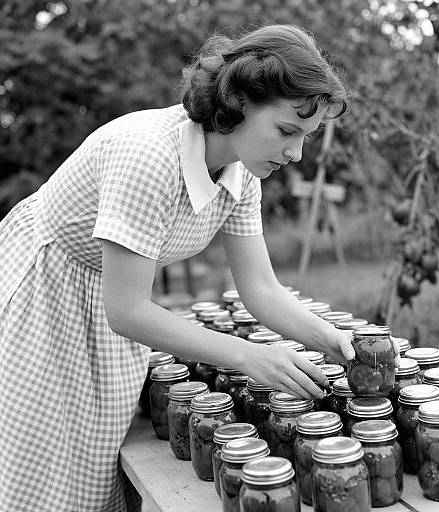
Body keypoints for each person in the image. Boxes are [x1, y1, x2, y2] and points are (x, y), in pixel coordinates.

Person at [0, 24, 399, 512]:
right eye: (286, 131)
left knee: (97, 467)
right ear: (238, 101)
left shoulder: (243, 174)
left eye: (306, 137)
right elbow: (127, 311)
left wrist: (329, 338)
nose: (295, 154)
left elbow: (260, 289)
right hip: (47, 296)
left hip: (106, 304)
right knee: (46, 471)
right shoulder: (149, 155)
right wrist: (249, 357)